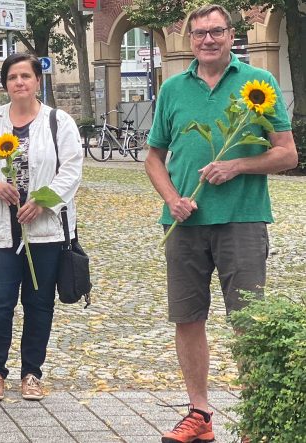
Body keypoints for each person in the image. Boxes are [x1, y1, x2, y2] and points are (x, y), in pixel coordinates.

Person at [144, 5, 297, 443]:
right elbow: (154, 158)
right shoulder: (172, 89)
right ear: (190, 39)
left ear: (232, 35)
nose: (207, 40)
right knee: (187, 318)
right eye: (199, 34)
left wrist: (237, 166)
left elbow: (287, 154)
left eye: (215, 32)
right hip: (185, 225)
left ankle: (252, 419)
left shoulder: (259, 84)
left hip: (242, 221)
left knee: (247, 322)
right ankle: (200, 414)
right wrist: (171, 199)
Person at [0, 52, 83, 402]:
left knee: (39, 302)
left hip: (44, 227)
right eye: (13, 77)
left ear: (37, 81)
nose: (19, 82)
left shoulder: (59, 122)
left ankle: (32, 372)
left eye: (26, 76)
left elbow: (72, 169)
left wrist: (44, 200)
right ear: (5, 84)